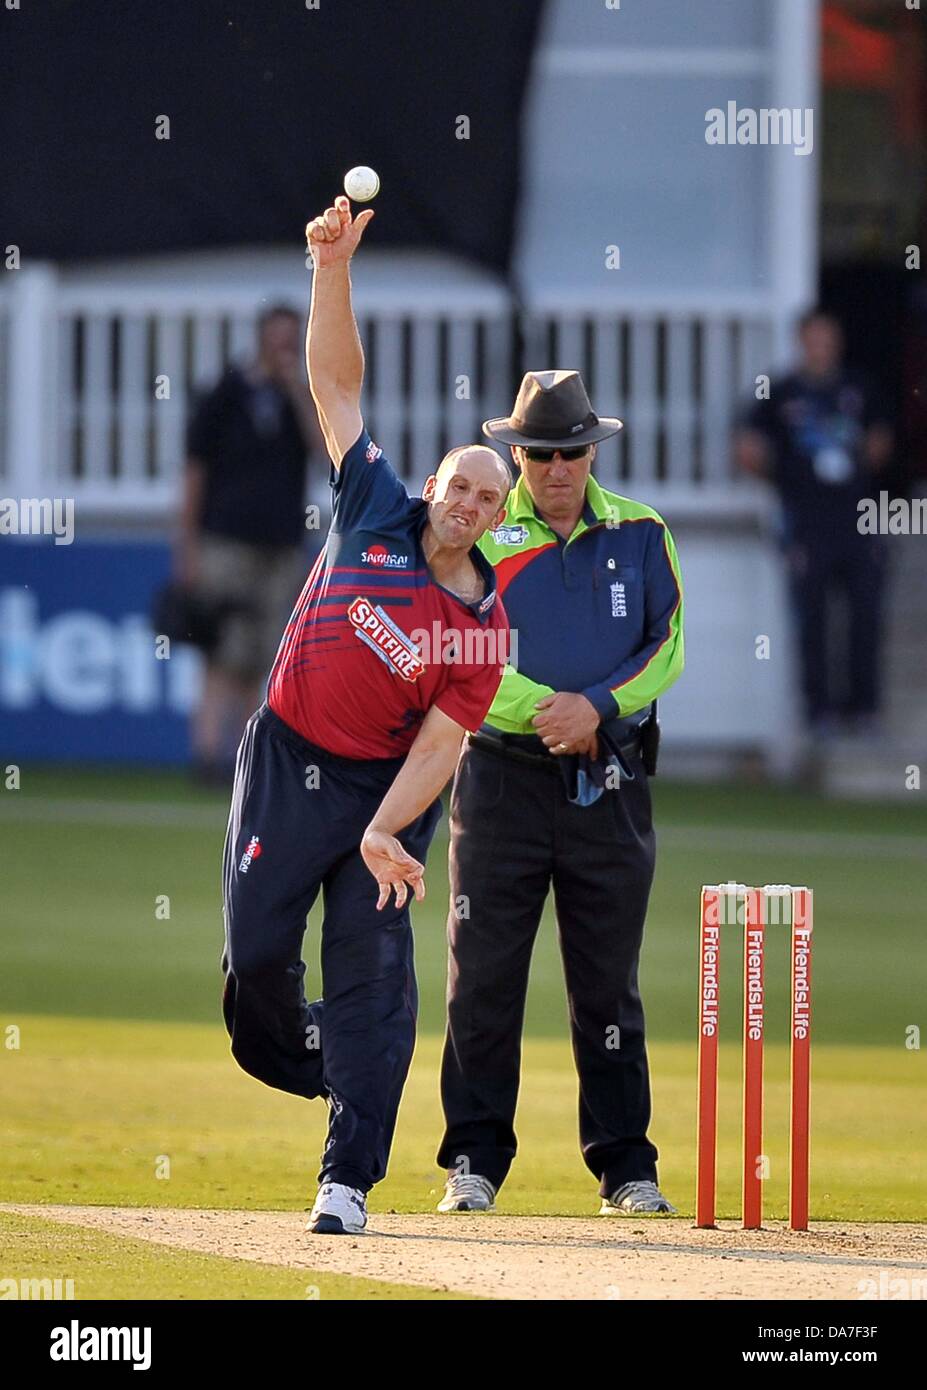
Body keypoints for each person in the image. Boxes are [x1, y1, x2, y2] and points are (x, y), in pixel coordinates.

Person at [221, 195, 512, 1236]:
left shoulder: (482, 624)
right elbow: (335, 382)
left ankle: (347, 1172)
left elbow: (444, 741)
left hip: (386, 792)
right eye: (461, 483)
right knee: (254, 957)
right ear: (433, 482)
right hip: (290, 753)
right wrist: (330, 269)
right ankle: (321, 1065)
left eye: (488, 499)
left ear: (497, 520)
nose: (468, 503)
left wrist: (386, 827)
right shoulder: (374, 502)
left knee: (375, 985)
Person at [435, 369, 685, 1216]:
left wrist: (599, 708)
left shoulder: (643, 533)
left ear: (591, 451)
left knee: (607, 983)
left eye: (569, 452)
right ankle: (472, 1158)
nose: (553, 469)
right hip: (501, 776)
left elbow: (668, 646)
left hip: (609, 778)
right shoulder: (481, 537)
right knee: (483, 978)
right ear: (517, 454)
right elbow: (459, 650)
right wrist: (551, 713)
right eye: (537, 453)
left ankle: (625, 1166)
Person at [179, 305, 324, 783]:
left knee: (266, 653)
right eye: (276, 337)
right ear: (260, 338)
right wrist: (188, 544)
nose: (283, 347)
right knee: (222, 649)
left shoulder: (298, 398)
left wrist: (298, 393)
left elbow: (324, 454)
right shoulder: (226, 393)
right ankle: (206, 753)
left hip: (281, 543)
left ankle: (248, 758)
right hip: (226, 540)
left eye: (290, 338)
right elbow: (195, 472)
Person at [735, 308, 893, 736]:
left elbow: (881, 439)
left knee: (865, 612)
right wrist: (787, 476)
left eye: (829, 337)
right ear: (801, 340)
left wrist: (858, 468)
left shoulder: (859, 387)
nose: (821, 346)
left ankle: (865, 709)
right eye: (814, 337)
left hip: (858, 518)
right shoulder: (780, 391)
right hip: (806, 521)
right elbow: (749, 447)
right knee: (813, 617)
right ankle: (818, 711)